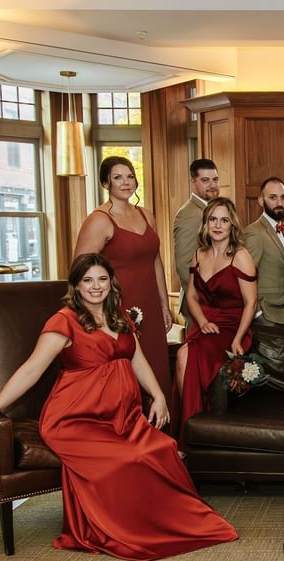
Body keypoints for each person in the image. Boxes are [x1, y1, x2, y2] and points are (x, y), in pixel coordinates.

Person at [0, 253, 238, 561]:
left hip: (122, 416)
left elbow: (136, 359)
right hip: (74, 418)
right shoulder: (64, 321)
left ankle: (166, 521)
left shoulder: (120, 316)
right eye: (88, 280)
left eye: (102, 279)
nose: (96, 287)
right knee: (130, 457)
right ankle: (137, 530)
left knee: (162, 448)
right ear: (77, 286)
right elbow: (30, 371)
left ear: (111, 282)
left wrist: (158, 395)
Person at [74, 156, 172, 407]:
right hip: (118, 306)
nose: (126, 182)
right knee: (127, 371)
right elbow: (80, 271)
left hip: (149, 304)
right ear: (106, 182)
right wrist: (97, 314)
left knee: (156, 365)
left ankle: (163, 436)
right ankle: (131, 437)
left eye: (130, 176)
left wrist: (163, 304)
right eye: (118, 177)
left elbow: (156, 261)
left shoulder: (146, 215)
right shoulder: (99, 220)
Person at [175, 197, 258, 437]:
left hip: (233, 328)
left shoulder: (240, 255)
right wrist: (202, 322)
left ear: (232, 225)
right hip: (206, 325)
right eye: (213, 219)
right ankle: (192, 426)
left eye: (224, 220)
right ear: (205, 224)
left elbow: (251, 303)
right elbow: (190, 296)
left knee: (183, 355)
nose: (218, 225)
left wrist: (237, 340)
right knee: (182, 358)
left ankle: (191, 431)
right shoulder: (198, 255)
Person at [173, 158, 220, 324]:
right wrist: (204, 299)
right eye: (205, 180)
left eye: (215, 179)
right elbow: (184, 264)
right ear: (193, 182)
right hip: (201, 304)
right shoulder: (189, 213)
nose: (212, 185)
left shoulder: (215, 209)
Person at [242, 176, 284, 327]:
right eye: (273, 197)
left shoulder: (282, 231)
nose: (279, 203)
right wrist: (257, 313)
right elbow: (244, 278)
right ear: (261, 200)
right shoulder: (254, 233)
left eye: (283, 197)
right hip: (266, 316)